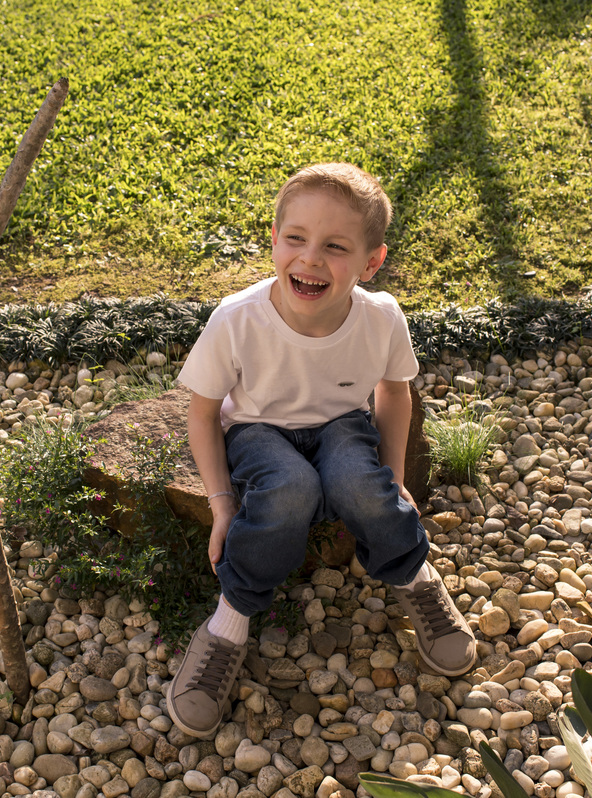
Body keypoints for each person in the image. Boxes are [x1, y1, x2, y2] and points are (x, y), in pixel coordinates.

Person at [166, 163, 478, 739]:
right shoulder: (236, 320)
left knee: (362, 488)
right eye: (296, 239)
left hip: (341, 423)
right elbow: (205, 414)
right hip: (258, 431)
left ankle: (413, 576)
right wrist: (221, 504)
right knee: (290, 490)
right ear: (275, 240)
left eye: (335, 247)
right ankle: (230, 620)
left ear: (371, 261)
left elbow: (392, 392)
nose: (309, 260)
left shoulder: (381, 318)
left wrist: (392, 472)